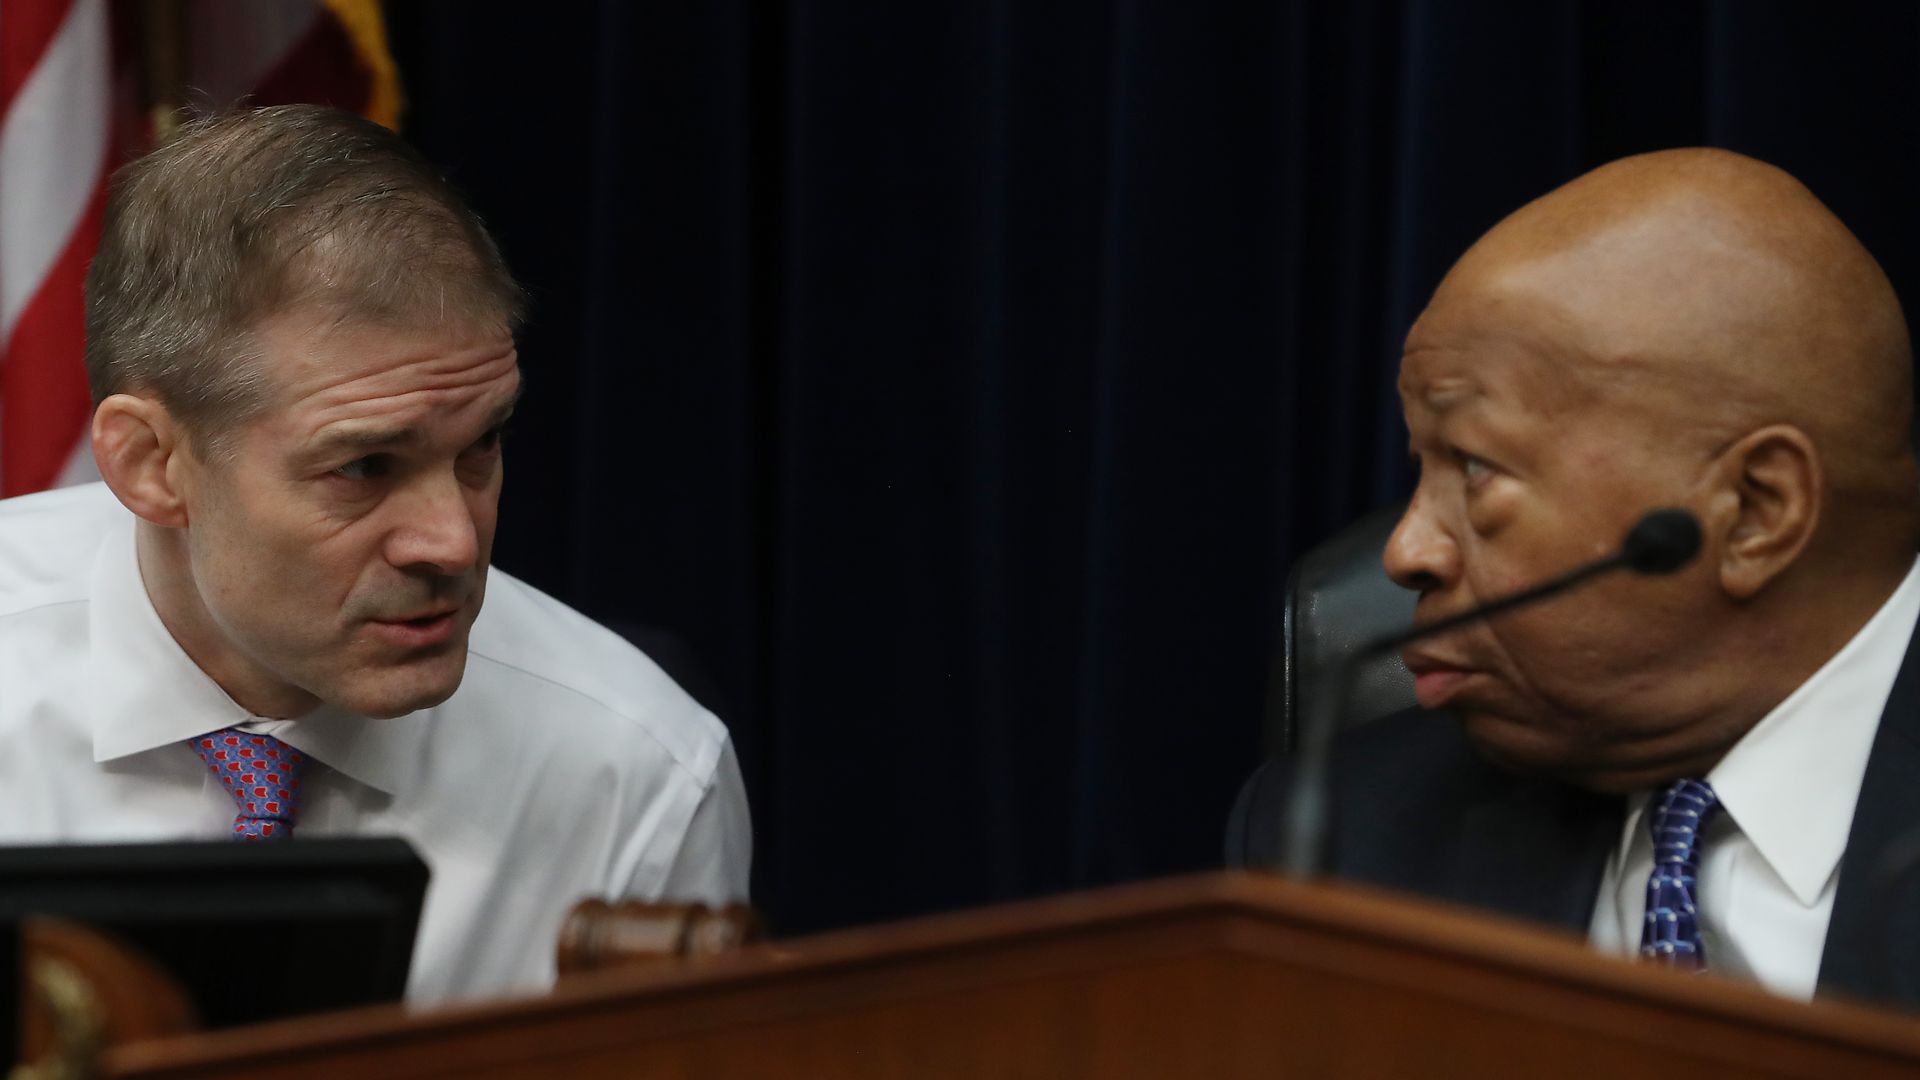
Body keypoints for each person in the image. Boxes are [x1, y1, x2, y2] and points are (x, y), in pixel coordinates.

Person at [0, 105, 750, 1005]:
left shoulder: (636, 775)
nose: (454, 541)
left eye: (480, 445)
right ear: (152, 465)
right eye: (363, 466)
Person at [1229, 147, 1920, 1005]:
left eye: (1476, 467)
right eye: (1422, 470)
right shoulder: (1345, 841)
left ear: (1754, 511)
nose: (1407, 550)